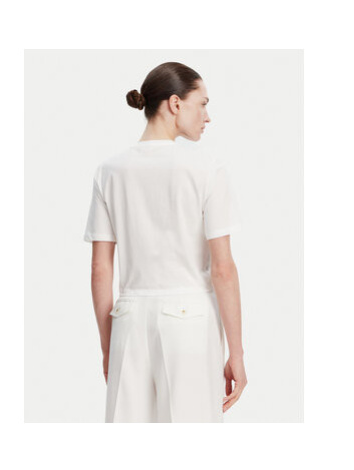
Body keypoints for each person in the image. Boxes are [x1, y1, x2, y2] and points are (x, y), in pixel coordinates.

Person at [84, 61, 248, 423]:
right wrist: (236, 353)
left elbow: (100, 267)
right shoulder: (207, 168)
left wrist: (108, 346)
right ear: (175, 103)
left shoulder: (109, 171)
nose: (207, 116)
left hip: (128, 320)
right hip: (190, 321)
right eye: (202, 104)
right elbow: (223, 268)